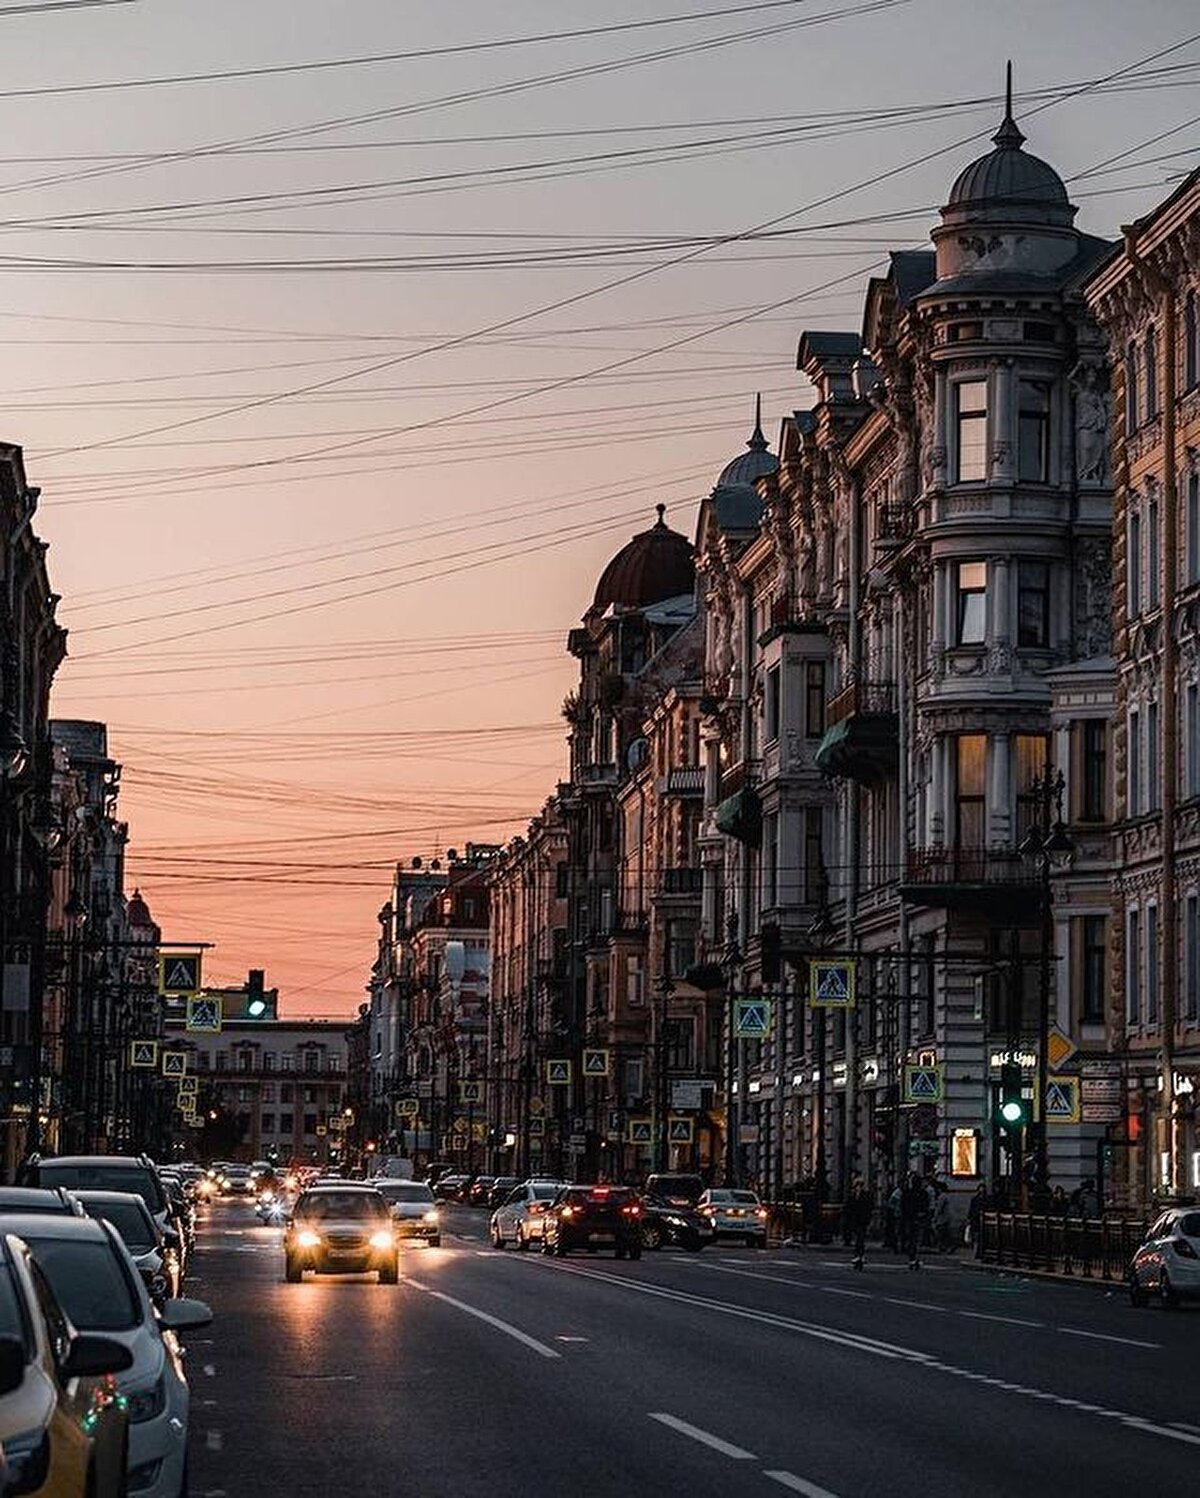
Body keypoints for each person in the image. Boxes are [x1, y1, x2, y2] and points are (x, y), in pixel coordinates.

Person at [900, 1171, 930, 1269]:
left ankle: (912, 1257)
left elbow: (903, 1206)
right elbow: (926, 1206)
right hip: (919, 1218)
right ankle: (914, 1257)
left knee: (911, 1238)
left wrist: (904, 1217)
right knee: (916, 1239)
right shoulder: (923, 1193)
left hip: (909, 1218)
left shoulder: (907, 1193)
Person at [847, 1177, 873, 1269]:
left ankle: (859, 1255)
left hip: (862, 1220)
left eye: (860, 1185)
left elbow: (869, 1207)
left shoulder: (866, 1195)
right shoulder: (852, 1195)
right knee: (859, 1238)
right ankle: (859, 1256)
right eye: (857, 1185)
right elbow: (849, 1208)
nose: (859, 1187)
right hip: (855, 1220)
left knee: (860, 1238)